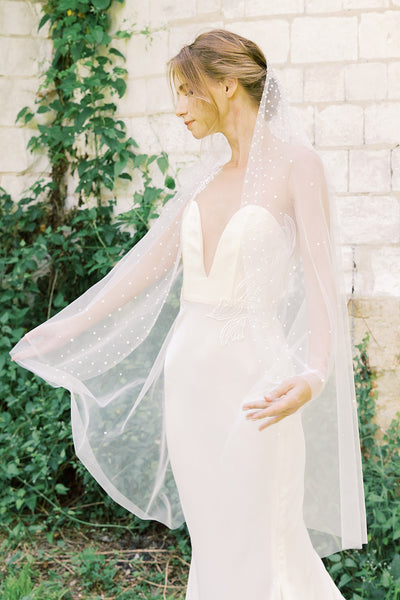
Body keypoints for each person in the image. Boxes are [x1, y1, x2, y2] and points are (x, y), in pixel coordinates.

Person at [11, 29, 367, 599]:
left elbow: (325, 288)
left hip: (258, 385)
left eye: (186, 91)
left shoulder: (299, 166)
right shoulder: (202, 180)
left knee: (264, 537)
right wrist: (58, 332)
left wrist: (314, 374)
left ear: (226, 86)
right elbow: (141, 271)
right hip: (189, 385)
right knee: (216, 540)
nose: (177, 108)